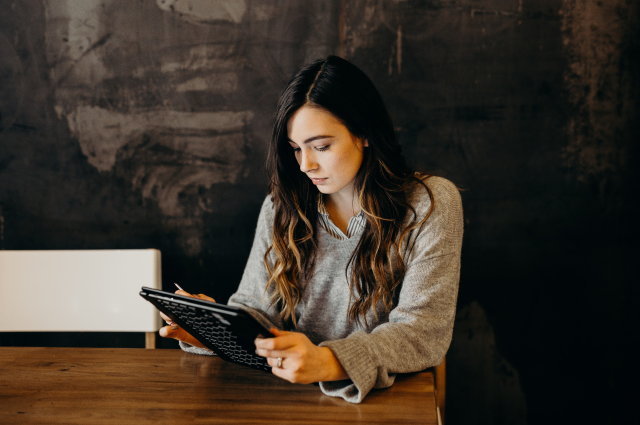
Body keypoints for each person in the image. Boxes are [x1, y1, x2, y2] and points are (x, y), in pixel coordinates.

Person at [159, 55, 464, 403]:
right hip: (292, 400)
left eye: (321, 146)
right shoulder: (280, 207)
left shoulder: (430, 204)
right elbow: (258, 313)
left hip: (389, 402)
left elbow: (423, 331)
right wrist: (211, 330)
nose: (306, 165)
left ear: (364, 133)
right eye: (295, 149)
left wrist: (329, 361)